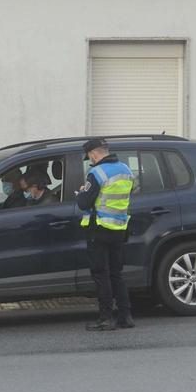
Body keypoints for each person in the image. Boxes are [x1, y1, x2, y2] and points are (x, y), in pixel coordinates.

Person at [75, 138, 135, 331]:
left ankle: (105, 318)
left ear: (93, 154)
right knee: (116, 274)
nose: (90, 160)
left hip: (99, 229)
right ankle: (125, 316)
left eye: (90, 157)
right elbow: (129, 192)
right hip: (119, 228)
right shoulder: (125, 170)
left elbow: (84, 203)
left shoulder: (96, 173)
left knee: (101, 275)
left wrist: (81, 193)